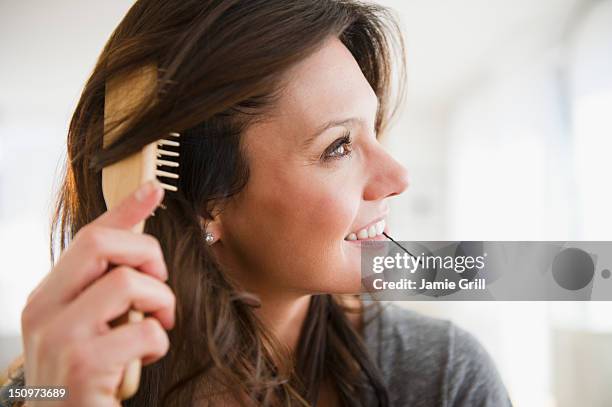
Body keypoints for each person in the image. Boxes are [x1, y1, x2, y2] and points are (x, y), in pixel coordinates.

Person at [0, 0, 513, 406]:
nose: (398, 178)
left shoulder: (443, 376)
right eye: (339, 147)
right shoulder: (41, 388)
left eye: (374, 130)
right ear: (206, 203)